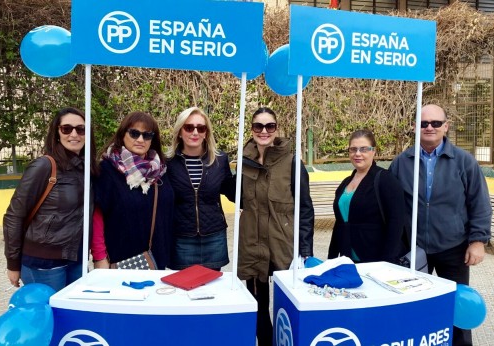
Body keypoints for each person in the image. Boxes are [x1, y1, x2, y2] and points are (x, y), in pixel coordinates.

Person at [389, 104, 492, 346]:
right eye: (424, 123)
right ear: (415, 127)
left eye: (436, 123)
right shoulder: (402, 162)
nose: (429, 128)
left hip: (453, 248)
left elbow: (480, 203)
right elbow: (391, 205)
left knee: (457, 309)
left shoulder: (464, 162)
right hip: (414, 249)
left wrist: (477, 241)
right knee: (414, 307)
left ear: (445, 126)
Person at [238, 107, 314, 346]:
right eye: (258, 126)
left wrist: (305, 250)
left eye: (269, 126)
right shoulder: (244, 161)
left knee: (287, 307)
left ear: (276, 129)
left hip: (282, 246)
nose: (264, 131)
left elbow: (305, 208)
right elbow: (237, 196)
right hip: (253, 245)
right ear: (251, 130)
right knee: (257, 308)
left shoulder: (291, 162)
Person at [3, 107, 95, 292]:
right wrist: (13, 263)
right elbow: (14, 215)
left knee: (72, 317)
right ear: (57, 133)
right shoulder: (44, 166)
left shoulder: (87, 168)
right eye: (67, 129)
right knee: (50, 316)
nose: (74, 134)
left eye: (81, 129)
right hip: (44, 262)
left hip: (76, 258)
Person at [90, 112, 174, 270]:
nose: (141, 140)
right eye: (134, 133)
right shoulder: (108, 170)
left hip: (156, 259)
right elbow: (97, 216)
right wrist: (100, 257)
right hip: (122, 259)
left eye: (147, 135)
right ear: (122, 134)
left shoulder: (160, 169)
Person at [165, 106, 235, 271]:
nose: (195, 132)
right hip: (182, 238)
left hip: (214, 235)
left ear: (206, 133)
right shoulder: (168, 162)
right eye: (189, 127)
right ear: (180, 132)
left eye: (201, 128)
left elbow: (231, 191)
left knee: (213, 289)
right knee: (184, 289)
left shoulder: (220, 160)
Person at [327, 129, 406, 264]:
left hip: (375, 258)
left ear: (373, 151)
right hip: (347, 258)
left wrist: (386, 261)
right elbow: (340, 222)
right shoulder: (345, 182)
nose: (357, 154)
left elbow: (396, 223)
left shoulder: (385, 179)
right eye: (353, 149)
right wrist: (332, 258)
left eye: (363, 149)